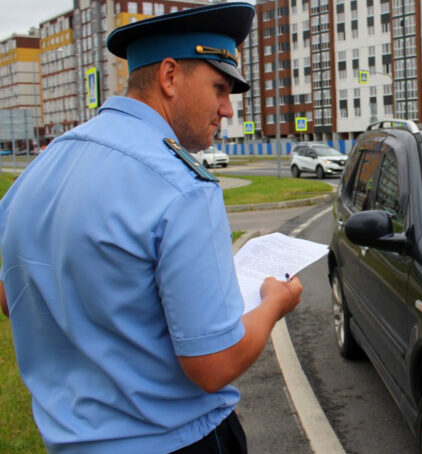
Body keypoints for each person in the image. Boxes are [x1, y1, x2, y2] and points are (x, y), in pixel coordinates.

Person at [0, 3, 303, 453]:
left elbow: (10, 299)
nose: (226, 110)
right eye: (219, 88)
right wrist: (273, 305)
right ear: (169, 77)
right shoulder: (181, 187)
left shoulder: (43, 166)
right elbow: (213, 365)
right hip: (175, 441)